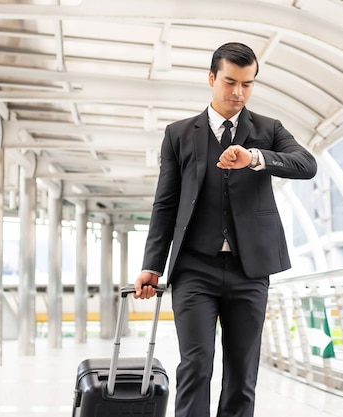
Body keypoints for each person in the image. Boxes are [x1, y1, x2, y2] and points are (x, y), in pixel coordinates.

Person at [134, 42, 317, 417]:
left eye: (247, 84)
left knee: (242, 373)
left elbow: (306, 164)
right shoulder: (179, 134)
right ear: (212, 78)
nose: (238, 92)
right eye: (230, 82)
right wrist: (151, 264)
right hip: (194, 269)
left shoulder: (268, 129)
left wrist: (255, 158)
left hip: (249, 270)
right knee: (196, 366)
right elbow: (165, 203)